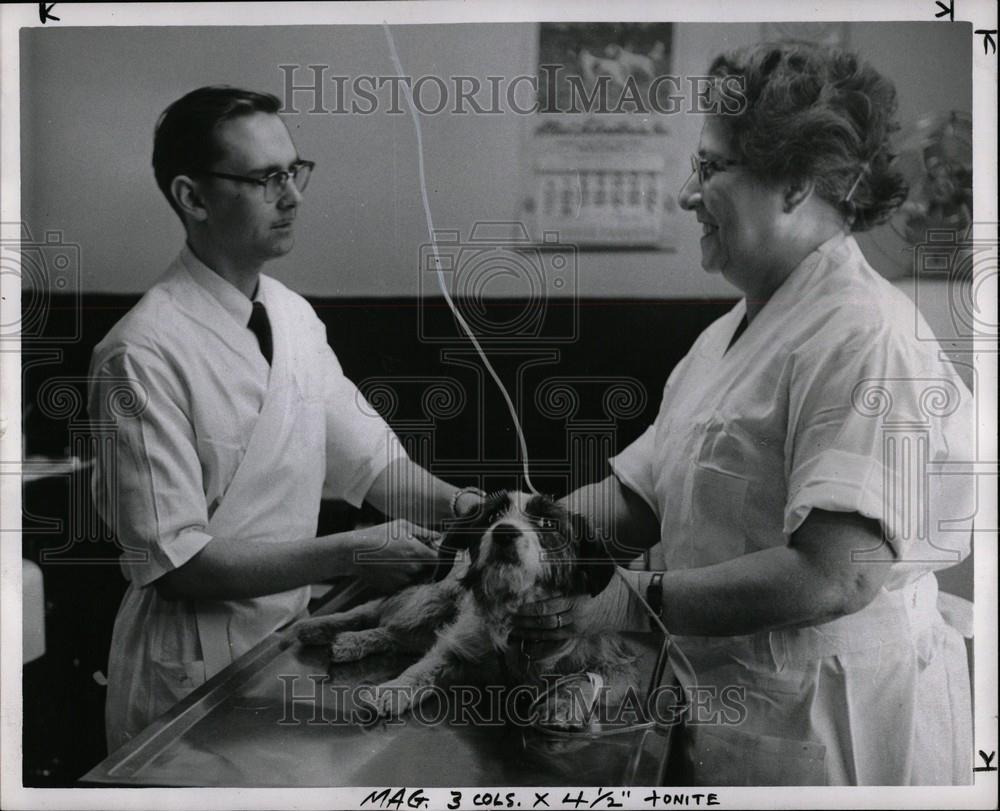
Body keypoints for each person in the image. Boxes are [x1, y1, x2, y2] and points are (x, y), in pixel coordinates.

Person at [526, 42, 975, 785]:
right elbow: (640, 497)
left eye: (709, 167)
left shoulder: (865, 334)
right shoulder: (726, 334)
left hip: (829, 725)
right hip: (732, 706)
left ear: (796, 180)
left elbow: (836, 573)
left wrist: (627, 601)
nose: (685, 195)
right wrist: (524, 526)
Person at [88, 86, 486, 752]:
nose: (293, 195)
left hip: (281, 643)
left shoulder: (294, 317)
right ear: (192, 197)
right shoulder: (140, 352)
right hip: (185, 667)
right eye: (265, 178)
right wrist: (354, 552)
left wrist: (477, 510)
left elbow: (376, 465)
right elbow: (177, 564)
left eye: (294, 171)